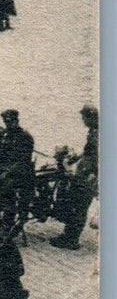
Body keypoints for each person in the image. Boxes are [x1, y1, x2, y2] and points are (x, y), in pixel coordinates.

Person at [52, 105, 98, 250]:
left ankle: (72, 240)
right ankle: (68, 235)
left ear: (90, 117)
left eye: (84, 117)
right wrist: (74, 158)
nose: (82, 120)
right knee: (75, 204)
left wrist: (93, 174)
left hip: (88, 176)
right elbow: (88, 152)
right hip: (84, 173)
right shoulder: (94, 131)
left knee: (79, 207)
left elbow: (99, 155)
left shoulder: (98, 134)